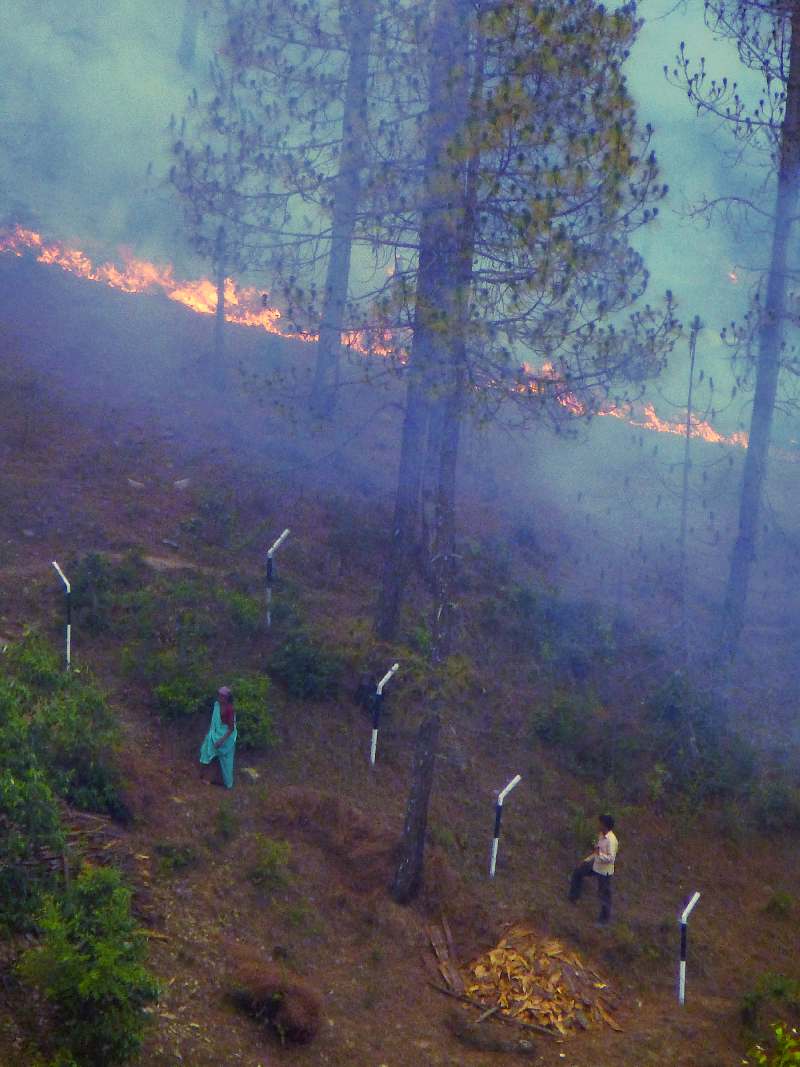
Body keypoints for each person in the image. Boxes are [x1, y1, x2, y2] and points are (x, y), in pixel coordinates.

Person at [568, 814, 618, 925]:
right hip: (595, 865)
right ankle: (573, 897)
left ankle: (604, 920)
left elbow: (611, 858)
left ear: (605, 825)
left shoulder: (611, 840)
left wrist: (599, 855)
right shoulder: (601, 835)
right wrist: (586, 860)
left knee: (604, 894)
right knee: (578, 873)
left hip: (604, 871)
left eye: (600, 823)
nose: (598, 825)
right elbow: (596, 851)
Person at [199, 686, 237, 788]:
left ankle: (214, 779)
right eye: (219, 695)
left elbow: (231, 728)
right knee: (207, 750)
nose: (220, 697)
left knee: (222, 757)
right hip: (216, 733)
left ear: (227, 698)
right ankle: (204, 776)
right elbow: (214, 723)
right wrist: (210, 733)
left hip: (226, 736)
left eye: (222, 696)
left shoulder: (230, 710)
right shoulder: (217, 705)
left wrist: (221, 740)